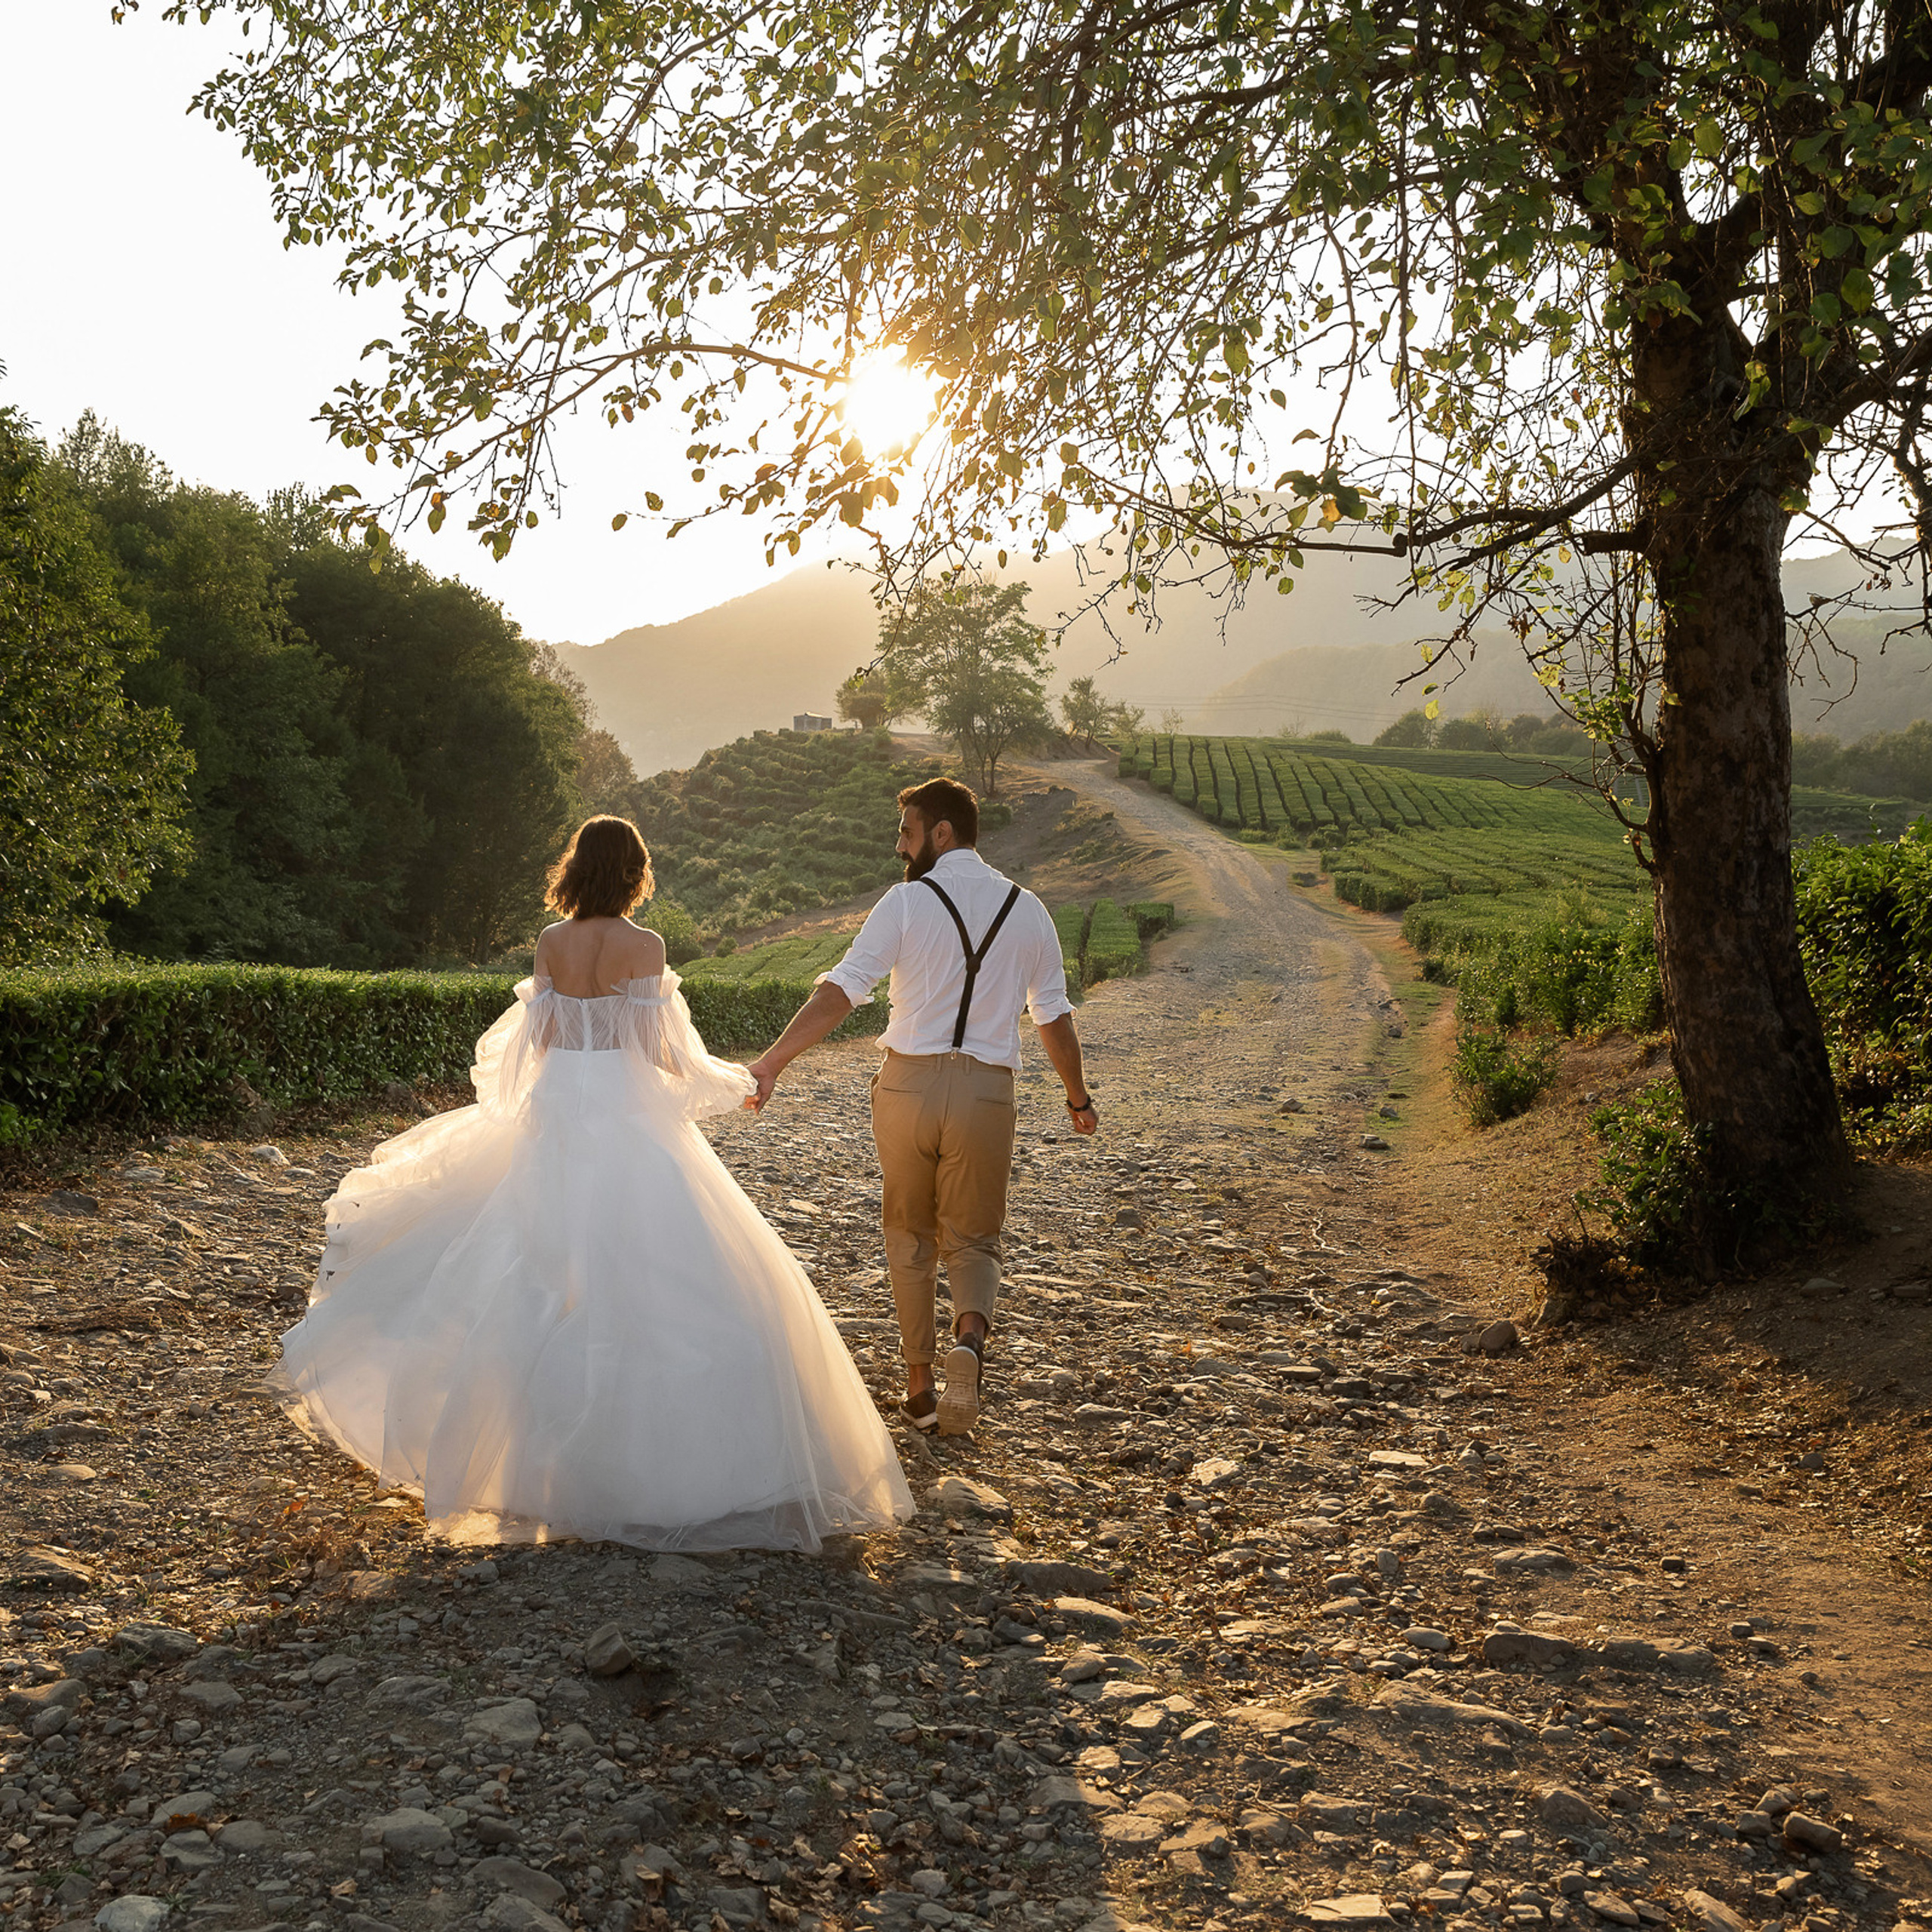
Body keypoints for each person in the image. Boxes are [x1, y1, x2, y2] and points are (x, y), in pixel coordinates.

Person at [275, 816, 914, 1553]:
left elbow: (537, 1043)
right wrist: (738, 1080)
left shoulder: (552, 942)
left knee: (536, 1277)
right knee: (665, 1274)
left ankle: (532, 1470)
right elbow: (663, 1049)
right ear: (635, 872)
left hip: (557, 1117)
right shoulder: (645, 947)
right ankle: (665, 1472)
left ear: (577, 869)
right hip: (623, 1114)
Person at [746, 777, 1095, 1437]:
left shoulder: (906, 902)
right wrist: (1077, 1097)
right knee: (975, 1237)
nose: (898, 846)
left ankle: (921, 1387)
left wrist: (773, 1061)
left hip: (906, 1086)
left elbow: (842, 990)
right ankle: (968, 1342)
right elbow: (1053, 1018)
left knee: (910, 1235)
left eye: (907, 832)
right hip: (987, 1091)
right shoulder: (1031, 911)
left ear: (941, 834)